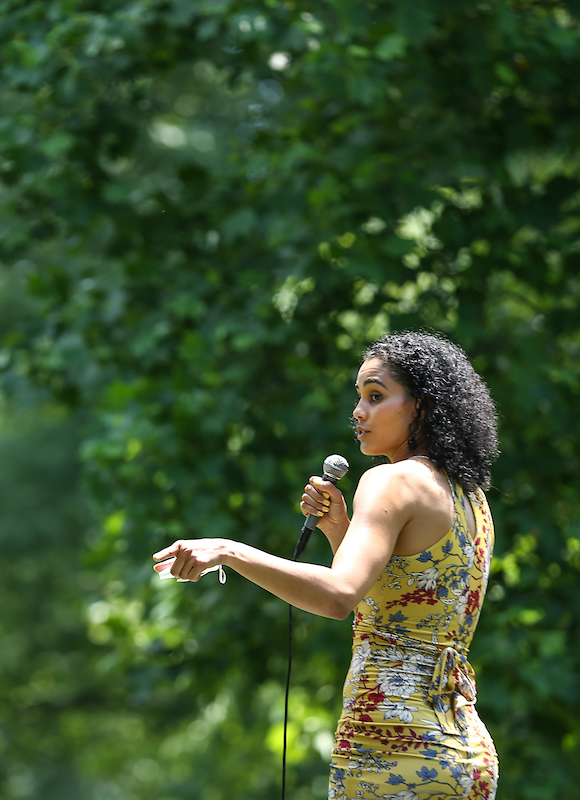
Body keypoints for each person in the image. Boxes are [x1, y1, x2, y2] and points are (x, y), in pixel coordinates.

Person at [152, 330, 500, 799]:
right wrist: (342, 529)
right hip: (464, 754)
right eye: (359, 398)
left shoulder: (390, 481)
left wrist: (231, 551)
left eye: (376, 397)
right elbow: (396, 607)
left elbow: (339, 597)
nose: (358, 413)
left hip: (394, 747)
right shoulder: (470, 497)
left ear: (423, 405)